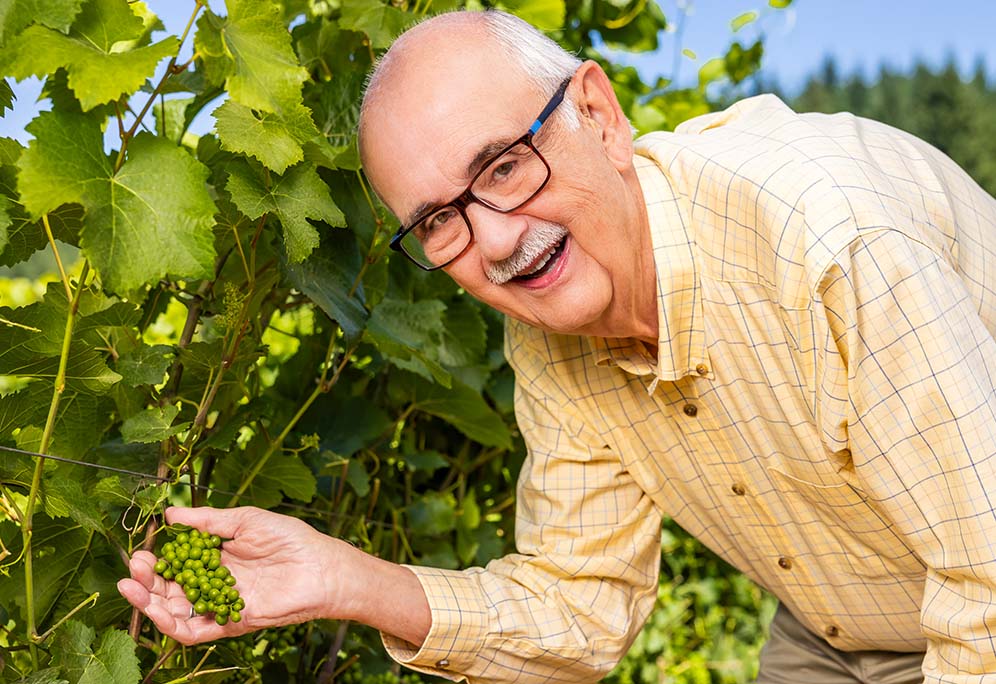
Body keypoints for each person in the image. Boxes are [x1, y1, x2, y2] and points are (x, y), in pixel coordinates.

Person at [118, 9, 996, 684]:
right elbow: (579, 606)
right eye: (437, 222)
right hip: (844, 628)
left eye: (501, 167)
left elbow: (986, 591)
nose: (496, 242)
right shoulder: (550, 337)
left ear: (600, 115)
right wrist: (340, 580)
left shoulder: (829, 239)